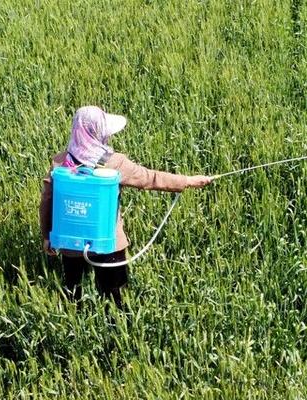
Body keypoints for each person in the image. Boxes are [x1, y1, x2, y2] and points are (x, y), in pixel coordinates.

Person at [39, 105, 212, 309]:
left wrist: (47, 236)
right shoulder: (114, 163)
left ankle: (76, 323)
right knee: (116, 296)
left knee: (72, 291)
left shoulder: (60, 163)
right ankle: (117, 330)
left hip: (71, 243)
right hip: (108, 243)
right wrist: (188, 181)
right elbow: (150, 178)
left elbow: (47, 201)